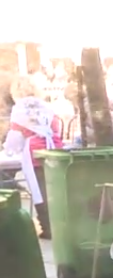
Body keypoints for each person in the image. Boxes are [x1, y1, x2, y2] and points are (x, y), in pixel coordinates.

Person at [3, 77, 63, 239]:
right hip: (53, 148)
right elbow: (55, 127)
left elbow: (16, 135)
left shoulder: (19, 109)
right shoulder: (46, 106)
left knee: (39, 190)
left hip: (33, 151)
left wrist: (9, 149)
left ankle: (47, 227)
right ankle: (60, 223)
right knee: (55, 188)